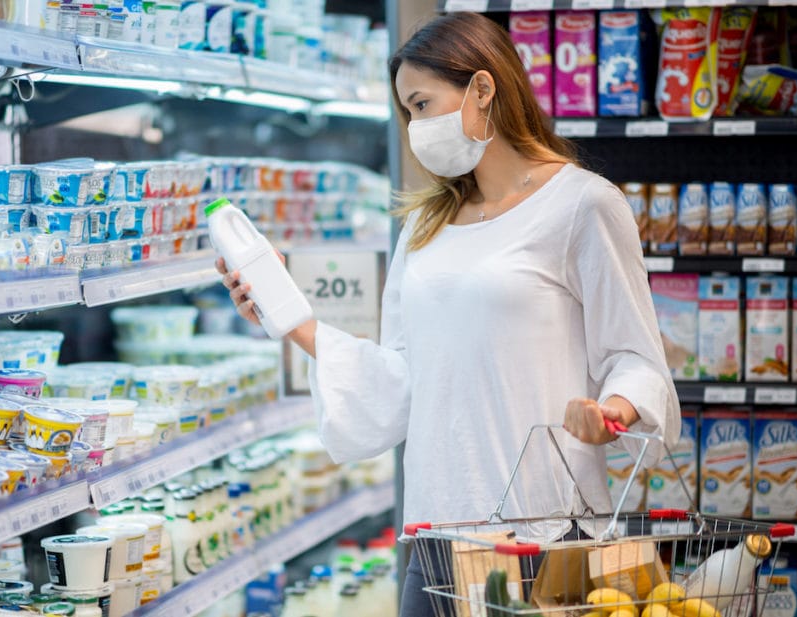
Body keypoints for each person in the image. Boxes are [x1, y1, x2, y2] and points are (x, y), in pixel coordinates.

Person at [216, 11, 680, 617]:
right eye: (407, 113)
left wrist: (613, 410)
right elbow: (404, 379)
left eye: (423, 104)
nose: (415, 127)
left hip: (545, 537)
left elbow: (635, 355)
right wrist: (287, 315)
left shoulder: (583, 206)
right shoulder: (422, 227)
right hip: (437, 540)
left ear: (483, 89)